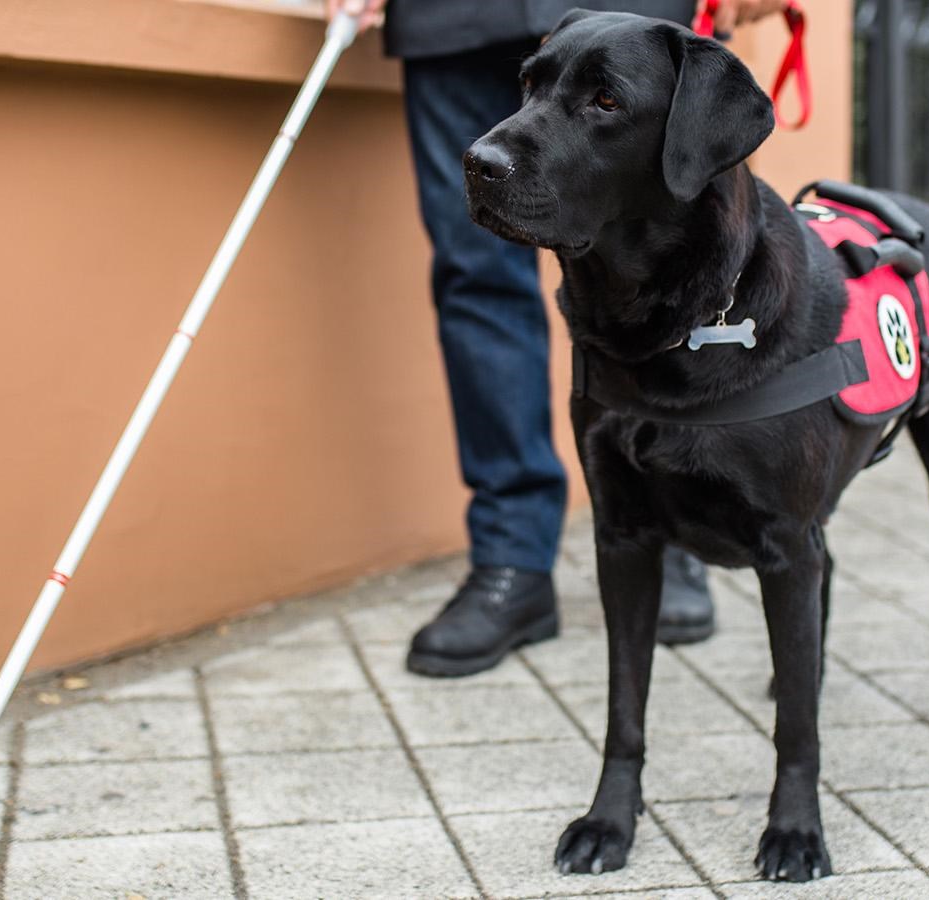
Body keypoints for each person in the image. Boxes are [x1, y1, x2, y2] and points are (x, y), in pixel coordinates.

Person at [327, 0, 789, 677]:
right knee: (474, 273)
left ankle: (675, 531)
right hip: (452, 19)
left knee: (670, 269)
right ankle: (510, 560)